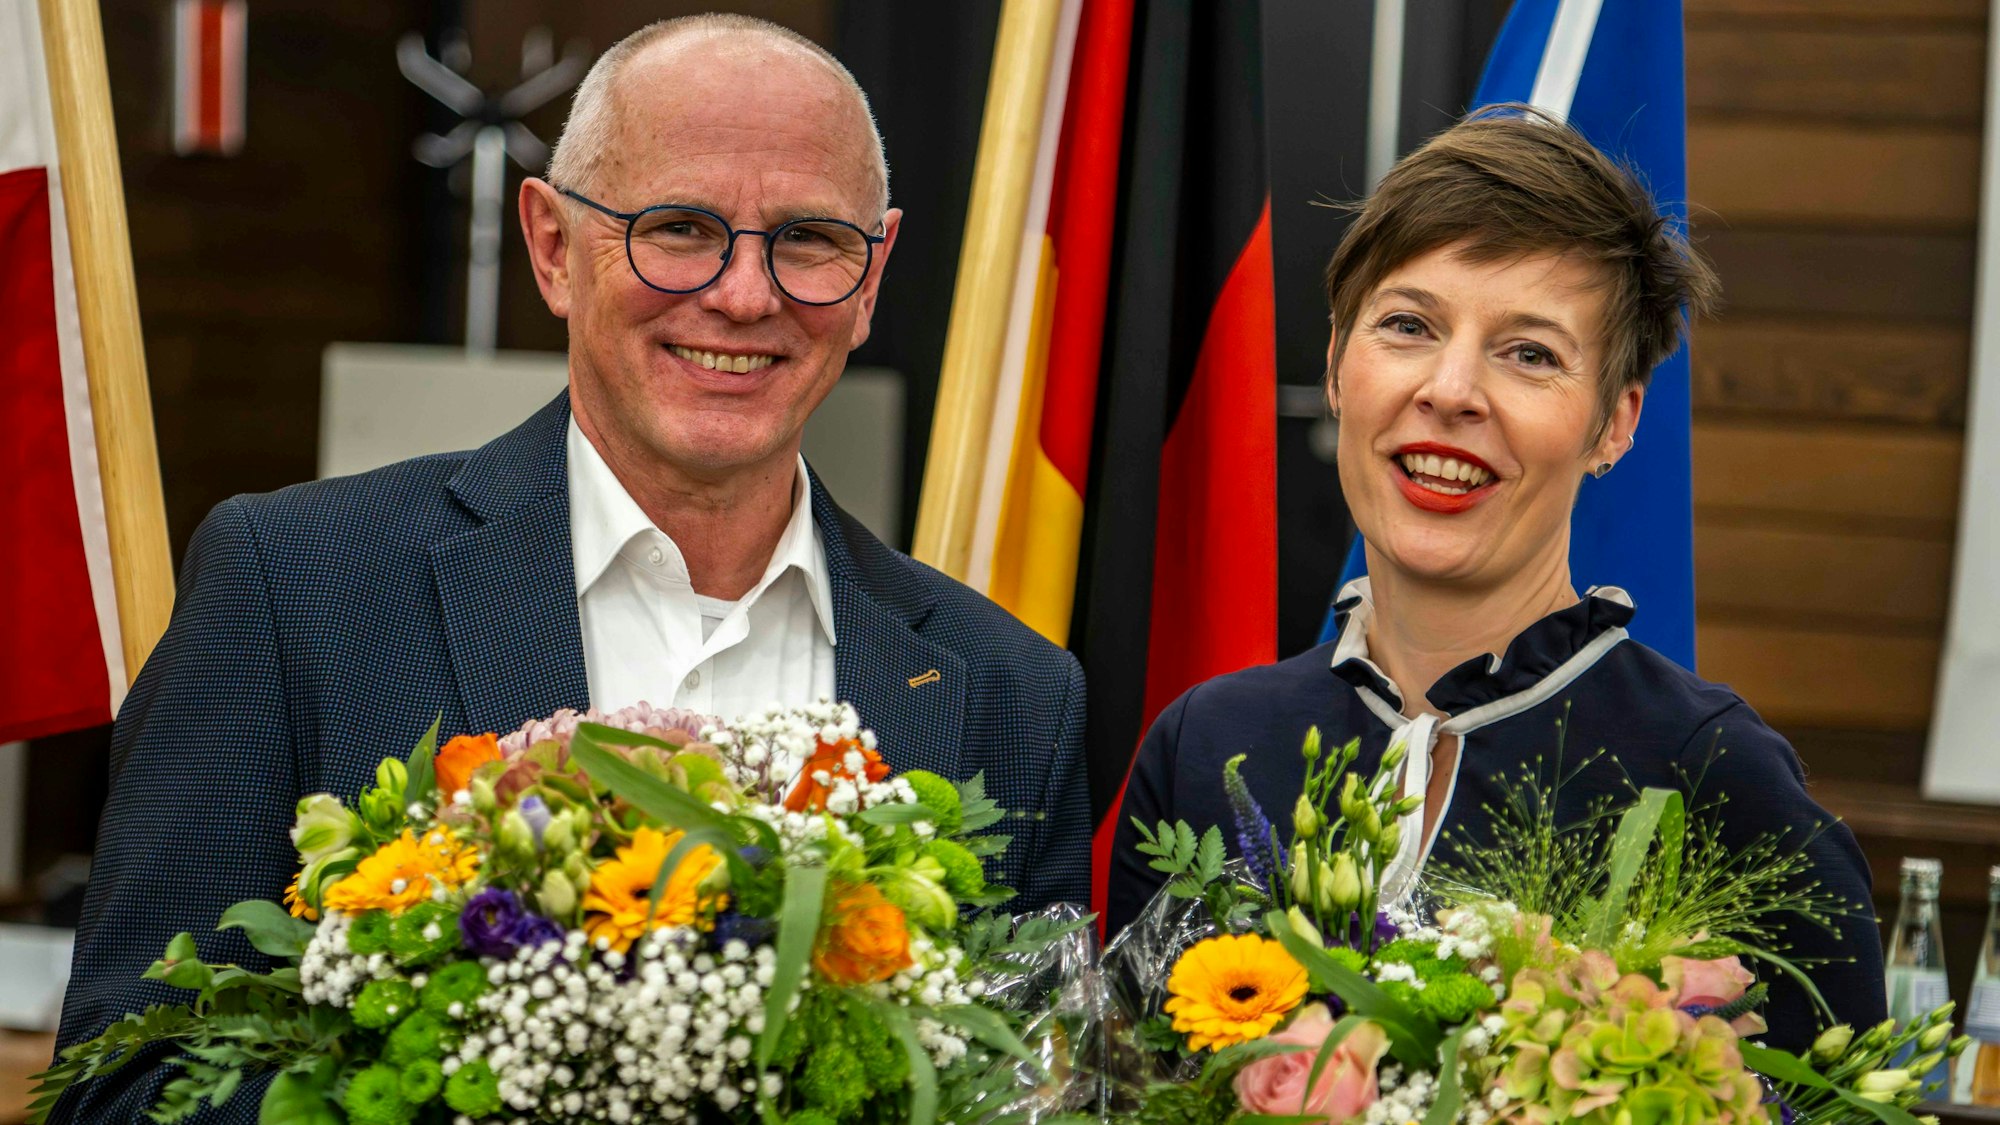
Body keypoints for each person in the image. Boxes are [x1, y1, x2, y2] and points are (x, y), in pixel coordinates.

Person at [54, 15, 1088, 1120]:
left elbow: (1034, 1094)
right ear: (550, 247)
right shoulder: (295, 588)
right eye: (678, 228)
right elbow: (123, 1083)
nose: (744, 295)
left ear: (871, 273)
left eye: (806, 239)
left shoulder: (1009, 694)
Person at [1106, 107, 1884, 1050]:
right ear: (1337, 369)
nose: (1450, 390)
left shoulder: (1719, 780)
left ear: (1614, 424)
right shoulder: (1203, 748)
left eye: (1530, 353)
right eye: (1407, 325)